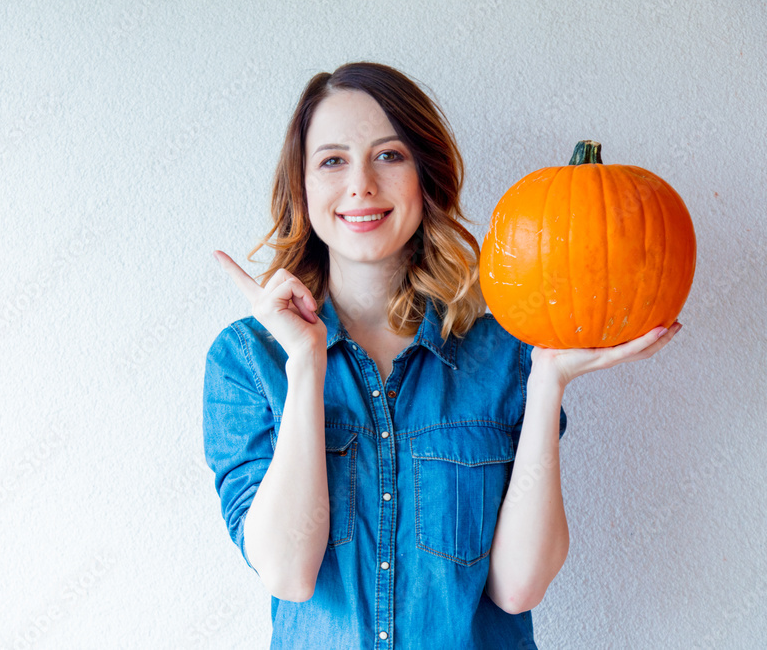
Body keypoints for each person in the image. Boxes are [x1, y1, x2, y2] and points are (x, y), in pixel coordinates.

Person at [202, 61, 681, 649]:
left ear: (425, 176)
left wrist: (547, 382)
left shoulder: (508, 354)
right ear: (301, 188)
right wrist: (305, 365)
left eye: (389, 155)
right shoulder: (247, 361)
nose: (361, 184)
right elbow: (288, 572)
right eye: (332, 161)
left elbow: (519, 588)